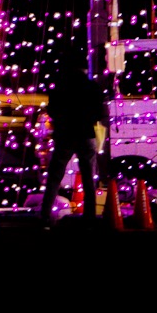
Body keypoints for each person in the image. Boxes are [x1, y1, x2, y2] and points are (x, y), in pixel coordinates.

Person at [40, 54, 109, 224]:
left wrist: (63, 121)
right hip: (86, 134)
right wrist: (88, 119)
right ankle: (90, 218)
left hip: (65, 135)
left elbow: (52, 110)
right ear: (85, 69)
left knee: (55, 177)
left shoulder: (61, 87)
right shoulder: (92, 87)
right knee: (88, 178)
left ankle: (45, 217)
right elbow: (101, 113)